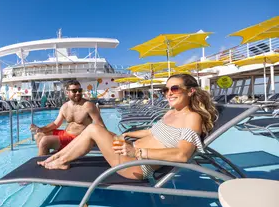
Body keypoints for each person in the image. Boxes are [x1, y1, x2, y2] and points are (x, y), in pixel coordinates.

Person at [38, 74, 218, 180]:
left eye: (175, 89)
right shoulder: (171, 113)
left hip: (137, 166)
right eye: (166, 90)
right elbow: (151, 132)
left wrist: (137, 153)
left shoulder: (192, 117)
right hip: (129, 154)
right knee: (93, 131)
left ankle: (58, 160)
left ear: (191, 91)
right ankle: (58, 158)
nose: (169, 93)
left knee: (92, 129)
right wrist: (129, 134)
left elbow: (183, 154)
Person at [30, 79, 106, 156]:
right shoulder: (65, 107)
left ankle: (43, 164)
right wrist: (40, 129)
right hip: (66, 134)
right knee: (39, 135)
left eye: (79, 90)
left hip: (78, 138)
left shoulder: (88, 106)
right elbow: (56, 124)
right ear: (67, 93)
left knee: (45, 141)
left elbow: (101, 126)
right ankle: (52, 158)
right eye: (74, 91)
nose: (78, 93)